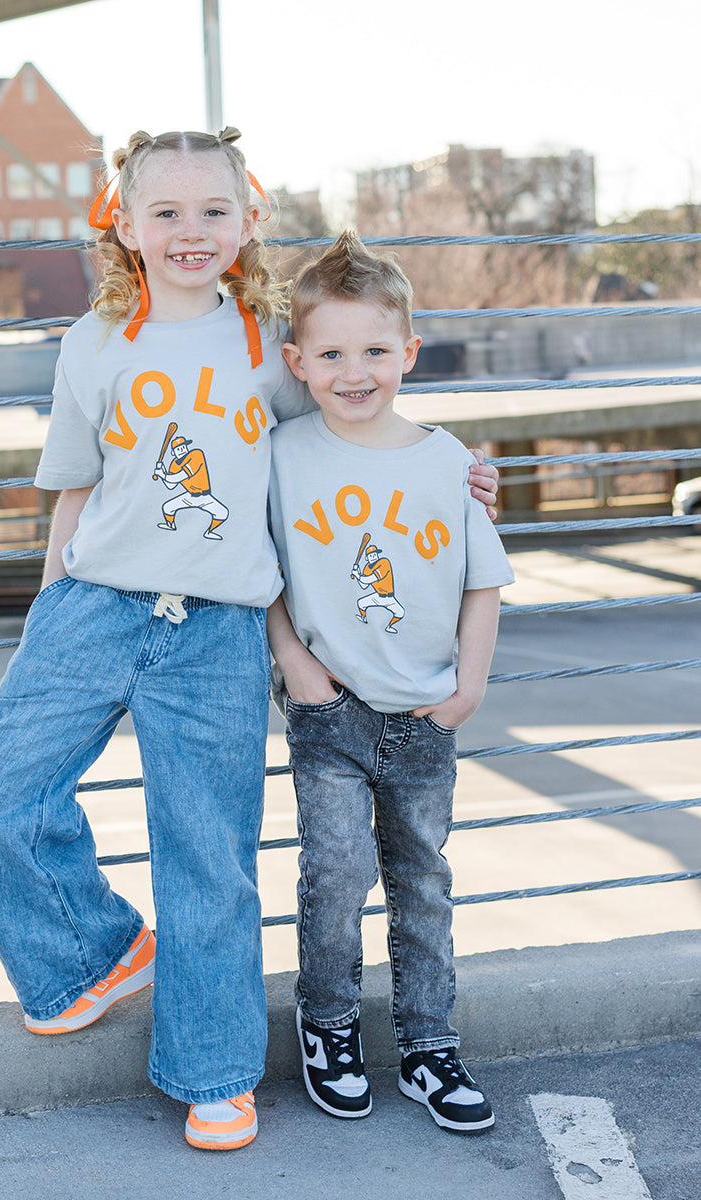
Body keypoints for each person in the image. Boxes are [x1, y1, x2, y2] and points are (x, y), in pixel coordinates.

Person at [0, 131, 499, 1152]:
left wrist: (448, 474)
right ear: (123, 224)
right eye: (165, 213)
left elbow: (354, 414)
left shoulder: (266, 340)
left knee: (208, 859)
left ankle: (213, 1073)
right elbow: (77, 484)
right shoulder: (92, 344)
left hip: (217, 629)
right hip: (94, 604)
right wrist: (46, 607)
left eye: (214, 211)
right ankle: (94, 951)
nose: (190, 232)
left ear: (250, 221)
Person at [266, 230, 514, 1133]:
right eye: (330, 353)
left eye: (375, 350)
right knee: (333, 876)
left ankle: (427, 1045)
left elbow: (483, 582)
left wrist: (468, 691)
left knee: (423, 881)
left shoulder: (449, 461)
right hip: (328, 710)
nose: (355, 370)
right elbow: (260, 572)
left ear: (409, 351)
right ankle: (328, 1025)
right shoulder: (282, 453)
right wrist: (295, 665)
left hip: (424, 713)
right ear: (297, 361)